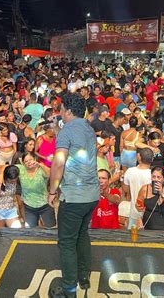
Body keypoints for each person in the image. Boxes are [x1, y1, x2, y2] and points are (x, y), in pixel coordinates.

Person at [48, 93, 99, 297]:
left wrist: (52, 190)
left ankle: (70, 287)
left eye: (61, 109)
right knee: (82, 234)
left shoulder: (66, 130)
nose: (59, 112)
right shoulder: (88, 127)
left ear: (67, 111)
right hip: (92, 194)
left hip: (75, 195)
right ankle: (84, 276)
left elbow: (59, 163)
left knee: (67, 242)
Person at [16, 152, 55, 228]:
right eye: (26, 161)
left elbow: (51, 174)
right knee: (31, 230)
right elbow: (5, 167)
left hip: (45, 205)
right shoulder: (21, 169)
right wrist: (0, 176)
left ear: (35, 159)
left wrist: (40, 165)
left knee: (51, 229)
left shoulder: (41, 170)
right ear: (23, 163)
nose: (29, 162)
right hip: (29, 207)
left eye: (30, 159)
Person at [136, 166, 164, 230]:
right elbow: (138, 204)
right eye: (153, 177)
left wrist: (162, 194)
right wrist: (138, 207)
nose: (156, 179)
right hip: (149, 227)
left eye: (159, 177)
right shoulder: (145, 188)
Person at [122, 148, 154, 229]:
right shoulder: (153, 175)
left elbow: (125, 190)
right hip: (149, 214)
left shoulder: (130, 171)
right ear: (152, 159)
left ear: (139, 157)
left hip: (134, 212)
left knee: (132, 237)